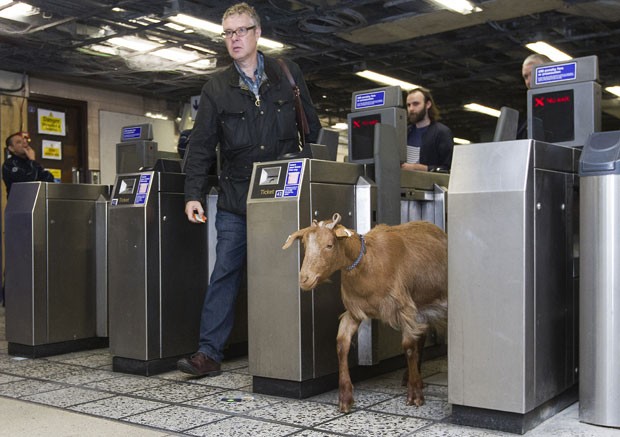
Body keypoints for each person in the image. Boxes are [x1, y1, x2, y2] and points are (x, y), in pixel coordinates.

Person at [177, 2, 321, 376]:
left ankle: (296, 346)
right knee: (225, 271)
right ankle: (208, 353)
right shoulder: (216, 87)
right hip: (237, 199)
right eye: (228, 33)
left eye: (241, 31)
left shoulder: (287, 74)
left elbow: (313, 129)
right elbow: (202, 144)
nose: (234, 39)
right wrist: (193, 193)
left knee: (289, 268)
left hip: (284, 197)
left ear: (257, 33)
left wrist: (315, 178)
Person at [401, 87, 453, 172]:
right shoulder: (404, 133)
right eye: (408, 105)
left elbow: (448, 169)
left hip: (429, 183)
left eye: (416, 104)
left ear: (428, 104)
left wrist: (419, 168)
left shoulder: (442, 133)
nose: (411, 109)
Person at [517, 54, 552, 138]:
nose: (529, 81)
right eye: (525, 77)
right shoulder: (527, 117)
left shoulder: (567, 104)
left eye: (533, 73)